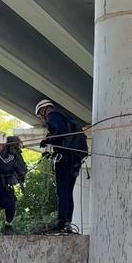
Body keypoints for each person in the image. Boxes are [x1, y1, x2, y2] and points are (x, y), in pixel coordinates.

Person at [34, 99, 88, 233]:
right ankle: (67, 223)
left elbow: (61, 131)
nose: (41, 117)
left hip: (65, 159)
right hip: (74, 159)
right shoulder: (65, 118)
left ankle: (61, 222)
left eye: (40, 114)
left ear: (44, 110)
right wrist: (49, 140)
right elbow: (62, 133)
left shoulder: (53, 116)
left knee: (62, 191)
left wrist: (48, 140)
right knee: (68, 192)